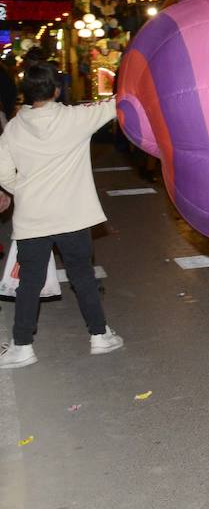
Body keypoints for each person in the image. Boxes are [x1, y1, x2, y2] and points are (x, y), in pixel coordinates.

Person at [0, 62, 123, 369]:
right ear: (57, 89)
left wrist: (25, 189)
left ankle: (22, 346)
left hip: (32, 217)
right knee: (82, 276)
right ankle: (99, 336)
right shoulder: (75, 118)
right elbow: (117, 103)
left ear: (26, 93)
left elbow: (3, 173)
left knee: (29, 282)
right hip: (72, 216)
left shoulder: (14, 127)